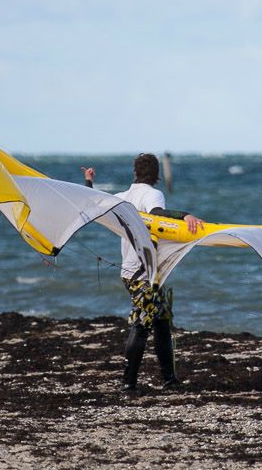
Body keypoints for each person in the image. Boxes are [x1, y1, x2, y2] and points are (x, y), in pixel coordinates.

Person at [82, 153, 203, 391]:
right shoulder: (152, 194)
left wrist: (88, 182)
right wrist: (184, 215)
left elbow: (92, 203)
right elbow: (156, 215)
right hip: (142, 274)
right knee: (141, 324)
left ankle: (169, 380)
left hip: (136, 272)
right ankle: (128, 383)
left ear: (135, 172)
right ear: (157, 174)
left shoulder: (123, 197)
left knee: (161, 322)